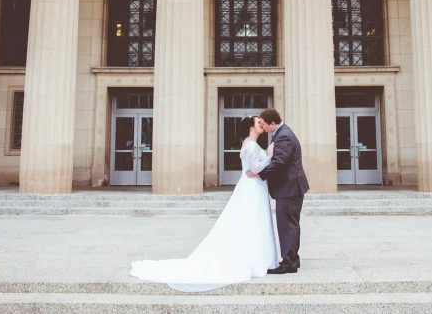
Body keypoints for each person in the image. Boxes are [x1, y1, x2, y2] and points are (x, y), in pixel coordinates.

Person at [130, 116, 278, 292]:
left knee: (255, 222)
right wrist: (269, 156)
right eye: (258, 122)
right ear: (250, 127)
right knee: (253, 221)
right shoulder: (251, 145)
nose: (261, 124)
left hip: (254, 187)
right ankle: (254, 259)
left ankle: (259, 257)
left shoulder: (249, 143)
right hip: (252, 188)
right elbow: (254, 169)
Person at [246, 108, 309, 274]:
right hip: (289, 188)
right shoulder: (280, 133)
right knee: (289, 225)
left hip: (289, 188)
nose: (262, 127)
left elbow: (280, 163)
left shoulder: (284, 136)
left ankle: (288, 263)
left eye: (264, 124)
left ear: (272, 124)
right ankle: (291, 260)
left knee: (287, 225)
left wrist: (258, 173)